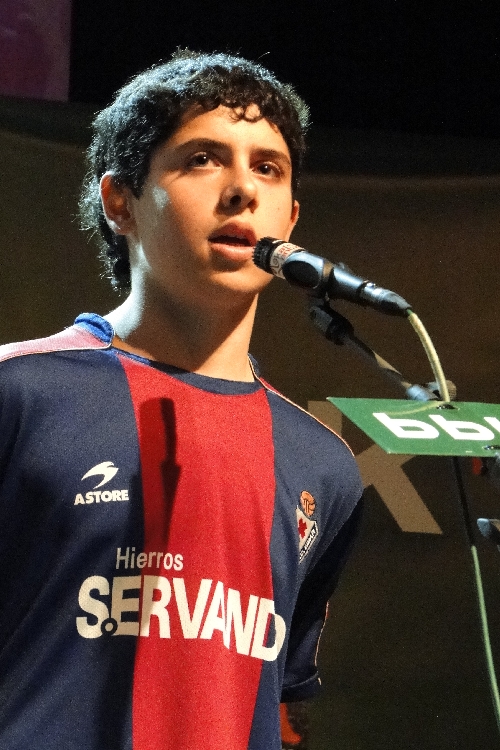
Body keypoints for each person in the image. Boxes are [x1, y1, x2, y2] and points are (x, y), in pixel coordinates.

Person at [0, 49, 363, 750]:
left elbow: (277, 704)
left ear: (290, 218)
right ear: (120, 201)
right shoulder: (19, 392)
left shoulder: (324, 466)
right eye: (202, 159)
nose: (242, 190)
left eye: (268, 167)